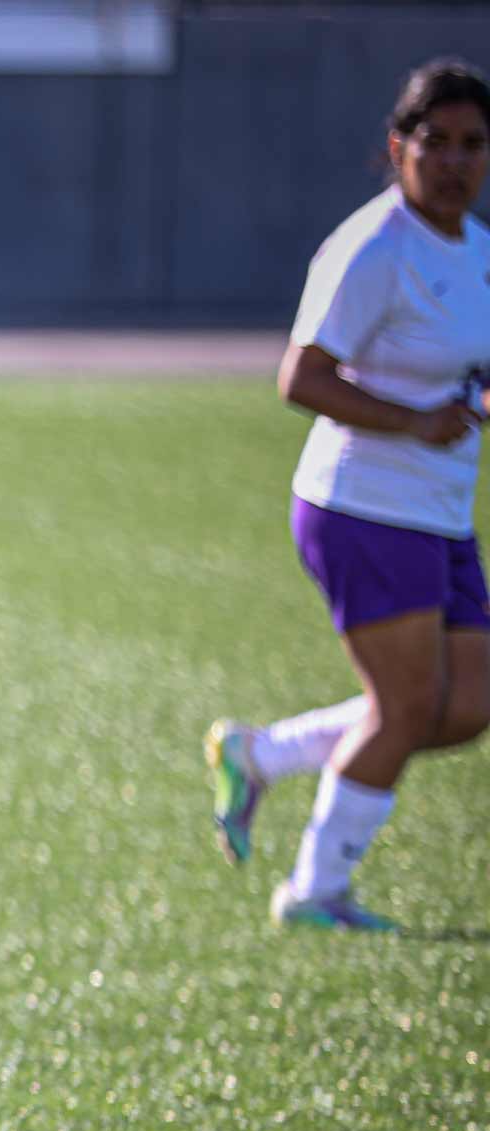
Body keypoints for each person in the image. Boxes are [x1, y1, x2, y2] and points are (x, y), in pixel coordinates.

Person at [207, 57, 490, 931]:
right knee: (405, 709)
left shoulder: (477, 248)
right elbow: (301, 376)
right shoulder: (374, 247)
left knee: (467, 705)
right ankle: (316, 890)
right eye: (433, 141)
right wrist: (413, 422)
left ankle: (262, 753)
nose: (453, 161)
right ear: (396, 148)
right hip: (362, 507)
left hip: (438, 511)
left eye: (472, 144)